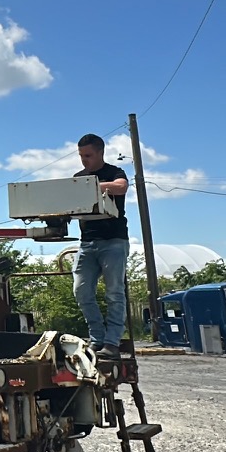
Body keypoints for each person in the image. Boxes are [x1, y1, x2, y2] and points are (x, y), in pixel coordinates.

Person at [72, 133, 130, 359]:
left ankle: (112, 343)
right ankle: (97, 339)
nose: (83, 160)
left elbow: (121, 187)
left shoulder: (115, 172)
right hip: (87, 243)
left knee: (114, 292)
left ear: (100, 153)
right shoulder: (78, 178)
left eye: (88, 155)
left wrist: (92, 186)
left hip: (114, 241)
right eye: (81, 156)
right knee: (81, 290)